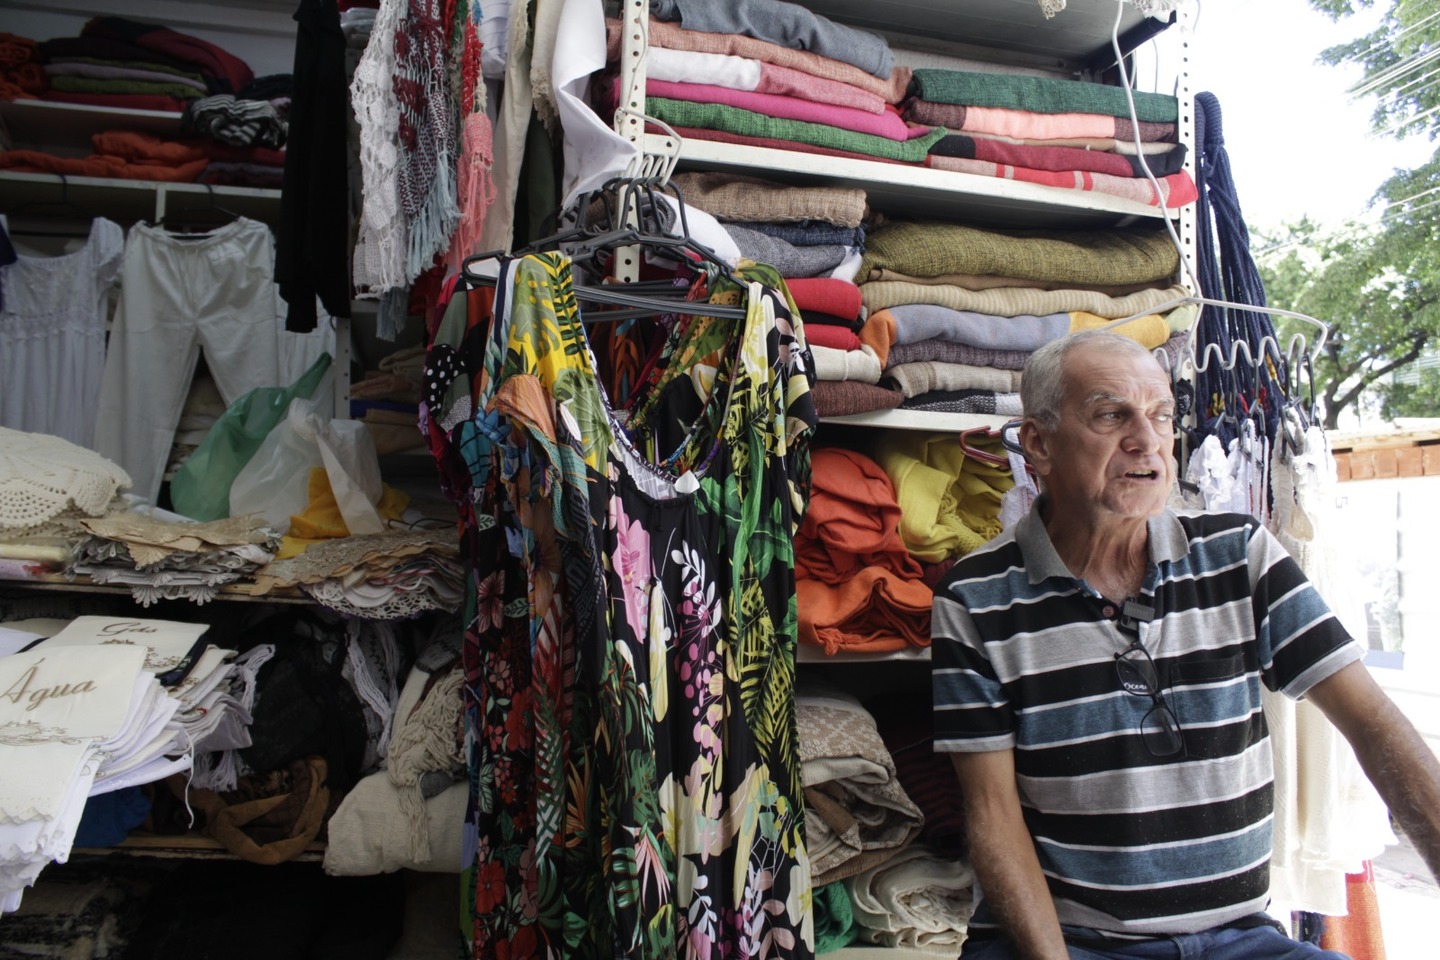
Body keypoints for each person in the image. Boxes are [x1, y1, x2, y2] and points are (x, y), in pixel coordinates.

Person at [931, 330, 1440, 959]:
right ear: (1038, 443)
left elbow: (1375, 726)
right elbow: (993, 814)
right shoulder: (974, 599)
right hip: (1071, 940)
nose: (1146, 440)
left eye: (1162, 416)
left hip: (1240, 940)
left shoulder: (1240, 556)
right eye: (1111, 414)